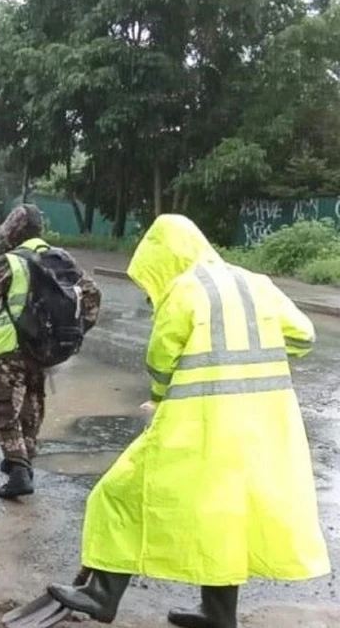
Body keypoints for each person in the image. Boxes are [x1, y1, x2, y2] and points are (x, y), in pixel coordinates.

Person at [44, 214, 330, 627]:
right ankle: (217, 614)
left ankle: (101, 594)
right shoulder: (258, 283)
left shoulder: (184, 289)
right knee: (224, 511)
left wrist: (160, 400)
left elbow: (160, 359)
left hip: (198, 424)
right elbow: (303, 336)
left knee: (117, 493)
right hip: (262, 426)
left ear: (165, 257)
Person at [0, 203, 101, 498]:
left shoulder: (10, 262)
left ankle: (18, 471)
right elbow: (93, 294)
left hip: (13, 349)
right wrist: (76, 331)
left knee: (6, 406)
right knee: (32, 404)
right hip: (43, 351)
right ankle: (24, 461)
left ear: (13, 231)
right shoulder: (61, 258)